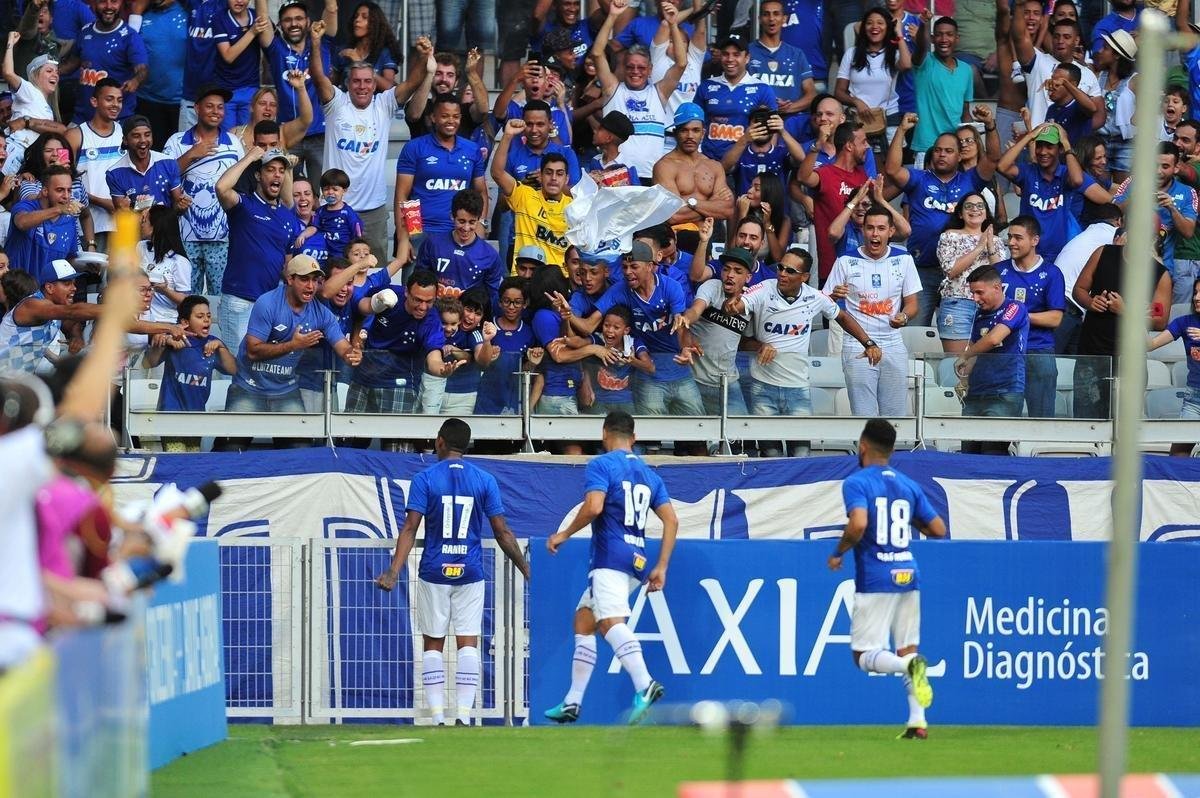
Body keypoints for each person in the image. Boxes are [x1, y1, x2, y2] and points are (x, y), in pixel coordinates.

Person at [374, 418, 530, 724]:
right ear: (467, 445)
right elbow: (502, 532)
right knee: (468, 642)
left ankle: (437, 719)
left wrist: (394, 570)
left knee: (433, 643)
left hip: (434, 570)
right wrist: (525, 567)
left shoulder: (425, 478)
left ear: (440, 441)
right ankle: (462, 716)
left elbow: (410, 527)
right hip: (470, 570)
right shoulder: (485, 480)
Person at [543, 410, 677, 725]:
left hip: (608, 557)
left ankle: (645, 684)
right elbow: (671, 519)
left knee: (609, 622)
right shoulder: (649, 473)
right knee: (584, 621)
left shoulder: (601, 465)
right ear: (635, 437)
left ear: (604, 433)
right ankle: (573, 702)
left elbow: (594, 506)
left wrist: (564, 533)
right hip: (637, 560)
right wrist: (662, 566)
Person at [828, 417, 946, 740]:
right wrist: (910, 521)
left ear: (862, 446)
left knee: (863, 657)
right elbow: (938, 530)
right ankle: (917, 721)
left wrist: (838, 551)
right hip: (909, 573)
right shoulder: (908, 485)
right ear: (891, 451)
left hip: (877, 575)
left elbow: (858, 524)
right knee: (908, 648)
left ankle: (909, 669)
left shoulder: (857, 482)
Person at [310, 22, 433, 265]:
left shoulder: (384, 104)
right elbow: (317, 76)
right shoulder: (337, 103)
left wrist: (423, 55)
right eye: (356, 81)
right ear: (348, 83)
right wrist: (315, 43)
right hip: (335, 209)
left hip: (373, 211)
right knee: (333, 270)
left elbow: (412, 82)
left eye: (367, 81)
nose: (362, 86)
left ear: (375, 85)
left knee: (375, 274)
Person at [886, 107, 999, 326]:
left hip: (964, 273)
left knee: (962, 335)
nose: (941, 155)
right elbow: (892, 169)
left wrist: (990, 125)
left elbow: (993, 158)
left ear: (959, 156)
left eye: (948, 151)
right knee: (915, 332)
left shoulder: (970, 180)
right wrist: (901, 130)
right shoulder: (919, 179)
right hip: (923, 270)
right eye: (938, 150)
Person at [224, 254, 361, 418]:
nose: (311, 286)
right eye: (304, 279)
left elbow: (343, 348)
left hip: (285, 390)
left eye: (315, 280)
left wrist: (352, 354)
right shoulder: (267, 303)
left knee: (299, 443)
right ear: (290, 279)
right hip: (249, 386)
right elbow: (252, 351)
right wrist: (293, 345)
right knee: (231, 443)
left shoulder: (322, 314)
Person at [826, 205, 920, 417]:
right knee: (863, 414)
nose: (875, 234)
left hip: (893, 342)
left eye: (880, 228)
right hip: (856, 343)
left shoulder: (904, 260)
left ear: (891, 231)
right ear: (862, 230)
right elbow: (825, 303)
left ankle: (893, 451)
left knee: (895, 414)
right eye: (870, 228)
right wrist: (834, 295)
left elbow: (913, 304)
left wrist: (904, 316)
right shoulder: (845, 261)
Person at [1073, 236, 1172, 421]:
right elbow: (1078, 289)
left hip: (1130, 359)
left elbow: (1160, 321)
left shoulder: (1159, 274)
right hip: (1092, 354)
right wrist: (1091, 301)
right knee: (1086, 422)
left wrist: (1125, 311)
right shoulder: (1103, 252)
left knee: (1125, 425)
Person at [214, 146, 303, 346]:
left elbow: (286, 266)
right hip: (239, 299)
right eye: (270, 169)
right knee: (237, 366)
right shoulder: (244, 205)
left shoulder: (287, 217)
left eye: (281, 170)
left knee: (261, 369)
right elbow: (221, 188)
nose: (277, 175)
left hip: (270, 304)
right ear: (258, 175)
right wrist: (250, 157)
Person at [164, 83, 245, 295]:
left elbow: (240, 185)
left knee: (220, 297)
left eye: (220, 107)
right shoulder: (176, 141)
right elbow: (163, 178)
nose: (216, 112)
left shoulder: (234, 143)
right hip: (184, 234)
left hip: (223, 235)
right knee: (187, 297)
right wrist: (192, 153)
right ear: (197, 108)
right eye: (210, 106)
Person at [592, 0, 686, 181]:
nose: (636, 71)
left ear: (650, 70)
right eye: (631, 67)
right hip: (616, 177)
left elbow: (681, 63)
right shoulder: (613, 89)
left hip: (652, 176)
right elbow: (597, 53)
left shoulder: (659, 93)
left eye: (641, 68)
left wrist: (673, 24)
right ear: (623, 68)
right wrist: (612, 16)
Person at [393, 93, 488, 266]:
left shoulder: (472, 149)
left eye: (455, 116)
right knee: (415, 290)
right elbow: (402, 195)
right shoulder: (415, 147)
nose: (450, 121)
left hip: (459, 232)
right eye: (444, 116)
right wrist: (404, 238)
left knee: (454, 290)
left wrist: (480, 225)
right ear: (433, 118)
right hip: (420, 232)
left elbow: (480, 191)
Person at [348, 268, 459, 414]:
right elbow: (361, 307)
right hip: (363, 376)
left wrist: (442, 370)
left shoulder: (431, 322)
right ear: (406, 292)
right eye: (417, 300)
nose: (423, 307)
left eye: (429, 301)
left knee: (394, 436)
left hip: (399, 383)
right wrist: (357, 333)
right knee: (349, 435)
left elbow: (434, 358)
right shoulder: (389, 294)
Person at [998, 122, 1110, 264]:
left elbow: (1077, 180)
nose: (1043, 152)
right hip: (1028, 254)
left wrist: (1066, 144)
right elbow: (1002, 166)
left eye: (1049, 146)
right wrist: (1030, 136)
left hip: (1059, 254)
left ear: (1060, 149)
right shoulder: (1028, 171)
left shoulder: (1065, 173)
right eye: (1039, 146)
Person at [253, 0, 338, 181]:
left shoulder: (322, 43)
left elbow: (331, 8)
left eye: (299, 18)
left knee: (322, 193)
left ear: (308, 21)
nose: (293, 24)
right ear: (280, 24)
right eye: (287, 20)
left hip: (321, 134)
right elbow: (261, 17)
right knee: (289, 196)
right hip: (289, 134)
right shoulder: (277, 50)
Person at [956, 265, 1031, 454]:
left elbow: (994, 338)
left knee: (992, 453)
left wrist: (964, 355)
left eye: (979, 292)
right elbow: (975, 349)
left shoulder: (1015, 307)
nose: (975, 299)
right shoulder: (979, 314)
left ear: (997, 287)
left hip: (1005, 392)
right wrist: (964, 379)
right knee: (968, 453)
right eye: (973, 293)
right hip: (976, 393)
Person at [995, 215, 1064, 418]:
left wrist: (1019, 316)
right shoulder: (999, 271)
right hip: (1004, 351)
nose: (1011, 243)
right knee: (1002, 416)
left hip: (1038, 350)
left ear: (1035, 240)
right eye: (1009, 237)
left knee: (1041, 417)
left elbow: (1055, 319)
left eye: (1018, 237)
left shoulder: (1051, 273)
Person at [1114, 143, 1199, 306]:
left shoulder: (1187, 192)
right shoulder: (1133, 182)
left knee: (1154, 319)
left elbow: (1189, 231)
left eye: (1165, 166)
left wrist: (1172, 208)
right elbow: (1112, 212)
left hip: (1162, 269)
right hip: (1125, 263)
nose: (1158, 171)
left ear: (1176, 168)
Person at [492, 120, 574, 272]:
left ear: (567, 179)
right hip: (525, 279)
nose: (554, 178)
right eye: (549, 173)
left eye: (559, 173)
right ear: (540, 176)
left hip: (559, 282)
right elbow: (497, 174)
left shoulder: (576, 208)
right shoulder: (524, 195)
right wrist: (508, 136)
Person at [653, 103, 735, 254]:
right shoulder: (664, 167)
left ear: (703, 133)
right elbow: (673, 215)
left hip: (706, 240)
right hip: (674, 244)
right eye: (684, 130)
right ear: (676, 132)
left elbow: (727, 209)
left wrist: (691, 203)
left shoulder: (714, 167)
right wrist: (712, 205)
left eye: (695, 130)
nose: (690, 136)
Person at [795, 121, 870, 284]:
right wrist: (818, 144)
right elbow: (803, 177)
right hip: (832, 267)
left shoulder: (862, 176)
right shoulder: (826, 173)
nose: (868, 146)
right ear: (849, 146)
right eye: (863, 142)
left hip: (862, 267)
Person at [935, 192, 1008, 354]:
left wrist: (989, 246)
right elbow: (950, 270)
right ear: (960, 213)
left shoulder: (995, 240)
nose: (975, 209)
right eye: (969, 206)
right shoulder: (949, 236)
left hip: (989, 305)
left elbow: (1000, 274)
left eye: (980, 206)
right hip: (957, 304)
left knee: (984, 363)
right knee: (956, 362)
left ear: (986, 213)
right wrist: (978, 248)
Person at [834, 8, 912, 149]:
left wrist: (898, 33)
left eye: (880, 23)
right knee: (860, 164)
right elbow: (839, 91)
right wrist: (856, 102)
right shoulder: (852, 54)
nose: (874, 27)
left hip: (889, 117)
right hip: (858, 119)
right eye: (869, 23)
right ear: (864, 28)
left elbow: (907, 64)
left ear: (888, 27)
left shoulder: (893, 54)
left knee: (891, 166)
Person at [694, 33, 778, 163]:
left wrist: (764, 161)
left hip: (746, 164)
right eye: (726, 54)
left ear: (747, 58)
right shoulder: (706, 85)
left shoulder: (762, 88)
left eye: (736, 54)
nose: (730, 59)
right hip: (708, 162)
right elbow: (696, 124)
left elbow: (772, 130)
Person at [413, 189, 504, 303]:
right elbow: (419, 279)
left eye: (472, 222)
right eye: (461, 221)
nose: (466, 228)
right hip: (435, 314)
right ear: (452, 216)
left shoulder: (490, 255)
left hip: (468, 318)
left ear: (479, 219)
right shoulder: (433, 243)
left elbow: (492, 296)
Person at [67, 0, 148, 124]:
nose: (109, 6)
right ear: (94, 4)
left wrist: (136, 80)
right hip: (82, 119)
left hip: (117, 121)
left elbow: (142, 70)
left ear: (121, 3)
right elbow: (71, 64)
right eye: (103, 2)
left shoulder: (130, 36)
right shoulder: (85, 31)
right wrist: (49, 70)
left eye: (114, 1)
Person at [65, 77, 124, 248]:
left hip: (121, 224)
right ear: (94, 101)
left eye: (119, 100)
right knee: (91, 274)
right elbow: (61, 177)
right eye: (109, 99)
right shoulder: (74, 135)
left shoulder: (126, 133)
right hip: (87, 224)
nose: (115, 105)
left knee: (120, 275)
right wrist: (100, 201)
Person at [1147, 279, 1200, 455]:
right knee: (1178, 454)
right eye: (1195, 293)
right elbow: (1150, 344)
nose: (1196, 298)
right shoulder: (1184, 322)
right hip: (1194, 399)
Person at [910, 17, 972, 161]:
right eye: (939, 34)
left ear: (957, 38)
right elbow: (921, 46)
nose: (944, 39)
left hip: (955, 149)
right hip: (926, 148)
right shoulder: (924, 62)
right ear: (932, 39)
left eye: (949, 34)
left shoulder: (966, 70)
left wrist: (971, 137)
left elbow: (965, 112)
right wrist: (924, 24)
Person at [128, 0, 187, 151]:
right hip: (148, 100)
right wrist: (136, 12)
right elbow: (127, 47)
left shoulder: (188, 12)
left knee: (179, 156)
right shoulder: (141, 15)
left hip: (181, 103)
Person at [8, 165, 82, 284]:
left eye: (69, 190)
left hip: (47, 295)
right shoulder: (25, 207)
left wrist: (87, 265)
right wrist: (58, 210)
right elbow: (22, 223)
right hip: (17, 291)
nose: (66, 196)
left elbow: (69, 258)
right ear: (45, 191)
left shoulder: (69, 220)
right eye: (60, 190)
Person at [105, 115, 186, 212]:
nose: (143, 140)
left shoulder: (169, 162)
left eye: (147, 135)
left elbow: (177, 206)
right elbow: (122, 214)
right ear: (125, 140)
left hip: (166, 226)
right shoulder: (114, 173)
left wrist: (182, 205)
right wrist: (141, 206)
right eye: (136, 136)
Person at [748, 0, 815, 117]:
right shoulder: (747, 52)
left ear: (784, 19)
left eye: (776, 14)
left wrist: (787, 109)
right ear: (759, 19)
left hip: (791, 122)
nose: (771, 18)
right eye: (766, 14)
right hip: (756, 120)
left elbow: (811, 94)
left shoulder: (796, 54)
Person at [211, 0, 267, 126]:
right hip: (226, 90)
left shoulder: (256, 16)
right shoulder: (219, 18)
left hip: (250, 88)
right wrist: (252, 32)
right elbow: (228, 56)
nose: (239, 1)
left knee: (248, 136)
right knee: (227, 138)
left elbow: (271, 43)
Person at [138, 204, 192, 323]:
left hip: (165, 320)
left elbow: (186, 301)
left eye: (145, 221)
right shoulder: (141, 248)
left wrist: (165, 291)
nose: (141, 224)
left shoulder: (179, 261)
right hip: (139, 319)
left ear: (155, 227)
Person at [336, 1, 401, 93]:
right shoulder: (344, 50)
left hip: (376, 105)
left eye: (364, 17)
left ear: (375, 22)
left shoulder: (385, 52)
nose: (357, 20)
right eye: (356, 16)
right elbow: (332, 85)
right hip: (346, 104)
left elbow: (389, 87)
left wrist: (360, 63)